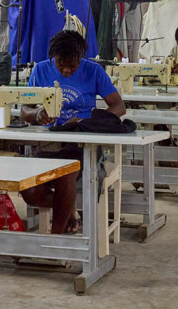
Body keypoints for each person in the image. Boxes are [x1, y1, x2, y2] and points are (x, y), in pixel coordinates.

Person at [20, 30, 126, 234]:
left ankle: (56, 238)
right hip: (50, 142)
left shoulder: (93, 71)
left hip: (82, 144)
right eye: (61, 64)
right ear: (53, 57)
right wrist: (37, 114)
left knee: (66, 174)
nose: (67, 70)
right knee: (30, 191)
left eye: (72, 65)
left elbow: (119, 106)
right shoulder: (41, 70)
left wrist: (90, 122)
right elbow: (25, 109)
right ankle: (69, 212)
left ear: (81, 58)